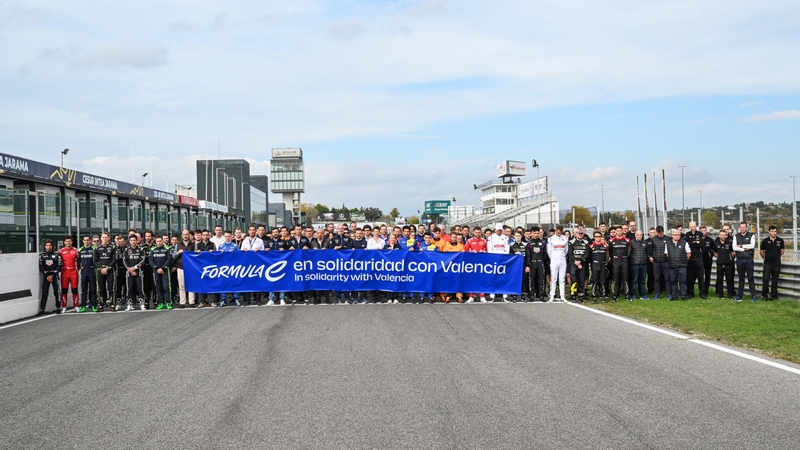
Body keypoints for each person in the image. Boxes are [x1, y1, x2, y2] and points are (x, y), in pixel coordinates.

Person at [732, 221, 757, 302]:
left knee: (750, 278)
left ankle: (753, 296)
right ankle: (739, 296)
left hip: (749, 259)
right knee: (741, 278)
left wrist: (742, 246)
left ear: (747, 227)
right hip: (739, 259)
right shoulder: (736, 236)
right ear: (740, 228)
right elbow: (734, 247)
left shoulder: (751, 235)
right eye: (741, 227)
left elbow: (752, 246)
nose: (743, 228)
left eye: (744, 227)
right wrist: (744, 249)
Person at [665, 228, 691, 300]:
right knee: (673, 281)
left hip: (682, 266)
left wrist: (684, 260)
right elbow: (667, 254)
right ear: (672, 235)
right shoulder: (668, 243)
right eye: (675, 235)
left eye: (678, 235)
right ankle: (675, 296)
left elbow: (688, 253)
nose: (676, 236)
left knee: (682, 281)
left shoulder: (684, 243)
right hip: (672, 266)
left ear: (680, 235)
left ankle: (683, 296)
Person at [760, 225, 785, 301]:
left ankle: (774, 296)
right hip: (768, 263)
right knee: (765, 279)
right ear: (769, 232)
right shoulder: (765, 241)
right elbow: (761, 252)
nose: (774, 233)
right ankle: (765, 296)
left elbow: (782, 251)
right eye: (772, 231)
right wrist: (766, 258)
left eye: (775, 231)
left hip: (777, 263)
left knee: (775, 281)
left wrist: (776, 256)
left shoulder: (780, 240)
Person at [463, 226, 488, 303]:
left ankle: (482, 296)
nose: (477, 234)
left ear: (481, 232)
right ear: (473, 232)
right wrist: (471, 252)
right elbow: (465, 251)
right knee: (471, 279)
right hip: (471, 264)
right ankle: (471, 296)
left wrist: (483, 252)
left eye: (479, 232)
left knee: (481, 279)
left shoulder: (484, 241)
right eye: (476, 232)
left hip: (482, 263)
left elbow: (488, 252)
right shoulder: (469, 241)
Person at [123, 234, 147, 311]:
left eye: (134, 240)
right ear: (129, 241)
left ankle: (142, 304)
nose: (133, 242)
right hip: (129, 272)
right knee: (129, 289)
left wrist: (135, 268)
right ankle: (129, 304)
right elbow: (124, 261)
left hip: (138, 272)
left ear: (137, 241)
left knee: (140, 288)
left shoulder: (141, 250)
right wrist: (130, 269)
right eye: (131, 240)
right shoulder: (126, 250)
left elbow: (143, 261)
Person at [487, 223, 510, 303]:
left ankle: (504, 296)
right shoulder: (491, 238)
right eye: (498, 230)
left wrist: (503, 259)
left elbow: (507, 249)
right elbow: (490, 250)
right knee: (493, 278)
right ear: (495, 229)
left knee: (503, 278)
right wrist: (494, 259)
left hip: (503, 260)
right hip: (494, 260)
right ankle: (492, 295)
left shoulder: (506, 238)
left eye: (500, 230)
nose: (499, 231)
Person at [149, 236, 173, 310]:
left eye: (160, 241)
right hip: (156, 271)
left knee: (166, 287)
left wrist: (162, 268)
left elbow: (169, 259)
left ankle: (168, 302)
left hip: (165, 271)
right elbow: (151, 261)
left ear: (163, 241)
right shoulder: (152, 249)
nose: (159, 243)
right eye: (157, 241)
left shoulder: (167, 249)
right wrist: (157, 268)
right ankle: (161, 302)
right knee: (158, 288)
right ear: (155, 242)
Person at [174, 229, 196, 308]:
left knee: (191, 284)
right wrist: (178, 253)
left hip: (190, 267)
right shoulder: (178, 245)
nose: (185, 236)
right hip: (181, 267)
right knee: (181, 285)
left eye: (187, 234)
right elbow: (173, 256)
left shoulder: (193, 244)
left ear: (189, 235)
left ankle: (191, 302)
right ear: (182, 235)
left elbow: (196, 255)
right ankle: (182, 302)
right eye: (184, 234)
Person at [547, 225, 569, 303]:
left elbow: (566, 250)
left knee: (562, 278)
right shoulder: (551, 239)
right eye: (558, 232)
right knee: (553, 278)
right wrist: (553, 258)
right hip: (554, 259)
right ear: (556, 230)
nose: (559, 234)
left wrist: (562, 256)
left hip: (562, 259)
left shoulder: (565, 238)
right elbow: (549, 251)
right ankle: (552, 295)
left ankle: (562, 295)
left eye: (560, 233)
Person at [647, 226, 670, 300]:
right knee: (656, 278)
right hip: (656, 262)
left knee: (667, 278)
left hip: (665, 261)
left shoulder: (668, 238)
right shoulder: (653, 239)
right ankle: (657, 294)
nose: (659, 235)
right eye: (658, 233)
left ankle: (668, 293)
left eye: (660, 233)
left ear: (663, 232)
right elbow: (650, 250)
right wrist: (650, 257)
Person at [39, 239, 61, 315]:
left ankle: (58, 307)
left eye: (50, 245)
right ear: (45, 246)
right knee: (44, 292)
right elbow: (41, 266)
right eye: (47, 245)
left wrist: (53, 275)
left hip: (54, 276)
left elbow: (59, 266)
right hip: (46, 277)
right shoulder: (42, 256)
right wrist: (47, 275)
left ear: (52, 246)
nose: (49, 247)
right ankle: (42, 309)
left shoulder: (57, 255)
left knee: (57, 292)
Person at [609, 226, 631, 302]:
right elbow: (610, 252)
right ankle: (615, 295)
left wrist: (625, 258)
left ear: (622, 231)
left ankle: (627, 295)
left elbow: (629, 250)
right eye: (617, 231)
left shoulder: (627, 240)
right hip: (615, 260)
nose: (619, 232)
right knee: (616, 279)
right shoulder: (611, 241)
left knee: (625, 278)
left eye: (620, 230)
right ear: (615, 232)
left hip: (624, 260)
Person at [58, 236, 79, 314]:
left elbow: (79, 262)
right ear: (64, 242)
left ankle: (76, 306)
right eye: (67, 241)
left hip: (74, 272)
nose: (68, 242)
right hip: (65, 272)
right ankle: (64, 307)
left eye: (70, 241)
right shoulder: (61, 251)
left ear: (72, 242)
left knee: (75, 290)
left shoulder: (76, 250)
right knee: (64, 290)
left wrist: (77, 269)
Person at [525, 227, 546, 302]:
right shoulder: (529, 243)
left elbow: (545, 254)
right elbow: (528, 255)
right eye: (535, 233)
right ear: (532, 233)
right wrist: (528, 264)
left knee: (541, 280)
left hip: (540, 263)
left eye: (538, 233)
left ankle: (541, 295)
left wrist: (542, 261)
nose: (536, 235)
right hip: (532, 263)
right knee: (532, 279)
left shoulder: (542, 242)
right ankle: (531, 296)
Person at [713, 229, 735, 299]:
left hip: (728, 264)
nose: (723, 236)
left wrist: (729, 258)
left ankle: (730, 294)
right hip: (719, 264)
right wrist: (719, 258)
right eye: (721, 235)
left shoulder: (729, 243)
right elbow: (715, 253)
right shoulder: (716, 243)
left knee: (729, 279)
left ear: (726, 236)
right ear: (719, 235)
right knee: (719, 279)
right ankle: (720, 294)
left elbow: (732, 253)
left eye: (724, 235)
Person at [77, 236, 97, 313]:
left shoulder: (94, 249)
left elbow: (96, 260)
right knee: (84, 290)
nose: (86, 241)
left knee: (93, 289)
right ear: (83, 241)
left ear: (90, 241)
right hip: (84, 272)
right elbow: (78, 261)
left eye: (88, 240)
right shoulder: (80, 250)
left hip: (92, 271)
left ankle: (94, 305)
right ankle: (83, 306)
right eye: (85, 240)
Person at [588, 231, 609, 302]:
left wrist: (606, 262)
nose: (598, 238)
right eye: (596, 236)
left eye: (599, 236)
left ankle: (603, 295)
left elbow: (607, 255)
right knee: (595, 281)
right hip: (595, 264)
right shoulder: (591, 246)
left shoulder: (605, 246)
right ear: (594, 237)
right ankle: (594, 296)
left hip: (602, 264)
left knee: (602, 281)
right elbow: (589, 256)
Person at [629, 230, 649, 300]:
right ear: (635, 235)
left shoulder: (645, 243)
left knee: (643, 281)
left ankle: (643, 295)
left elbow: (647, 253)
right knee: (634, 280)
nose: (639, 236)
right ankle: (634, 295)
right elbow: (629, 253)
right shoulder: (631, 243)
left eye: (640, 235)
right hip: (635, 264)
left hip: (643, 265)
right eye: (638, 235)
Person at [508, 231, 527, 302]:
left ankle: (523, 295)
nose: (518, 237)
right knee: (515, 280)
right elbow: (509, 256)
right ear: (514, 236)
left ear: (521, 236)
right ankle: (514, 296)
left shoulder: (525, 245)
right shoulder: (511, 245)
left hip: (523, 264)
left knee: (524, 280)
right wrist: (514, 253)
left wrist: (527, 266)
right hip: (514, 266)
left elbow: (528, 256)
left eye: (519, 236)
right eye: (516, 236)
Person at [700, 226, 714, 297]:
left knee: (707, 276)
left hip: (708, 260)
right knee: (700, 276)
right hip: (699, 260)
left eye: (704, 230)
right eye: (701, 230)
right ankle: (701, 290)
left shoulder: (710, 240)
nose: (703, 232)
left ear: (706, 231)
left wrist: (710, 255)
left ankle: (706, 291)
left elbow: (714, 249)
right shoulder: (698, 239)